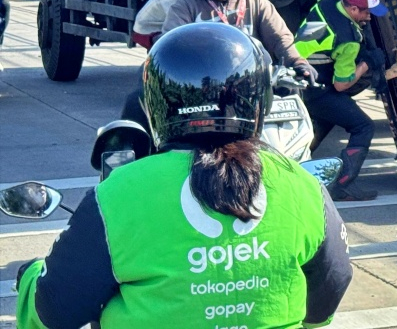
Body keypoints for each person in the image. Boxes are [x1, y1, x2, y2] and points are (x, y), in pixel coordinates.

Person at [13, 22, 352, 328]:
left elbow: (55, 311)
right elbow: (329, 290)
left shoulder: (119, 194)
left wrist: (27, 276)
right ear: (259, 100)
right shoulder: (300, 185)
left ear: (157, 104)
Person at [121, 0, 315, 132]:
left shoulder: (256, 2)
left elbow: (280, 39)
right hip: (201, 90)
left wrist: (298, 62)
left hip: (250, 89)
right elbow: (172, 45)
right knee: (137, 100)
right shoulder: (186, 5)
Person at [294, 0, 390, 202]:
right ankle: (342, 184)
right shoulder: (347, 39)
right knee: (363, 126)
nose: (370, 17)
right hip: (316, 88)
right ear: (354, 9)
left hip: (297, 76)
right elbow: (341, 84)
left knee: (322, 124)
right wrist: (367, 63)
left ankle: (295, 173)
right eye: (367, 12)